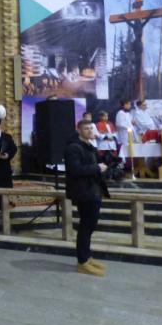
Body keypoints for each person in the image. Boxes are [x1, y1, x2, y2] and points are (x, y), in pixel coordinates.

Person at [65, 119, 110, 277]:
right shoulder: (73, 147)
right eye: (86, 128)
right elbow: (75, 170)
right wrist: (97, 168)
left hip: (93, 191)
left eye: (91, 128)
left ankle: (87, 257)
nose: (90, 131)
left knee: (90, 226)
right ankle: (82, 262)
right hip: (83, 192)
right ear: (79, 130)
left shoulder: (89, 146)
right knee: (86, 226)